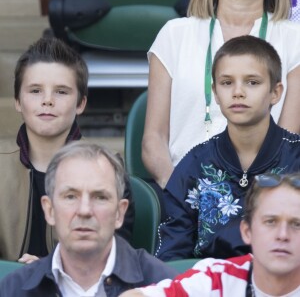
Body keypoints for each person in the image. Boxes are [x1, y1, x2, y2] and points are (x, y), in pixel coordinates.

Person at [153, 35, 300, 262]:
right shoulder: (194, 164)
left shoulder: (296, 158)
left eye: (252, 82)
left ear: (275, 92)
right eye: (227, 82)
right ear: (215, 92)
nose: (238, 92)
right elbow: (172, 258)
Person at [142, 0, 300, 194]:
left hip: (263, 195)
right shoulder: (173, 34)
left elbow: (286, 146)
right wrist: (181, 192)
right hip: (180, 189)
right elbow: (153, 140)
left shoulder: (295, 38)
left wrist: (253, 204)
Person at [0, 37, 134, 263]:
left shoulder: (108, 170)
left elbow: (115, 258)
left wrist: (50, 268)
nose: (48, 101)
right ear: (17, 101)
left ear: (81, 103)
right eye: (35, 91)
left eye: (61, 92)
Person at [0, 141, 178, 297]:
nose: (84, 210)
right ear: (50, 210)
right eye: (70, 196)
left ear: (120, 212)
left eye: (100, 197)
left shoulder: (164, 286)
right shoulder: (12, 290)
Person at [120, 173, 300, 297]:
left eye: (296, 224)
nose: (283, 235)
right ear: (247, 232)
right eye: (270, 222)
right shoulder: (217, 278)